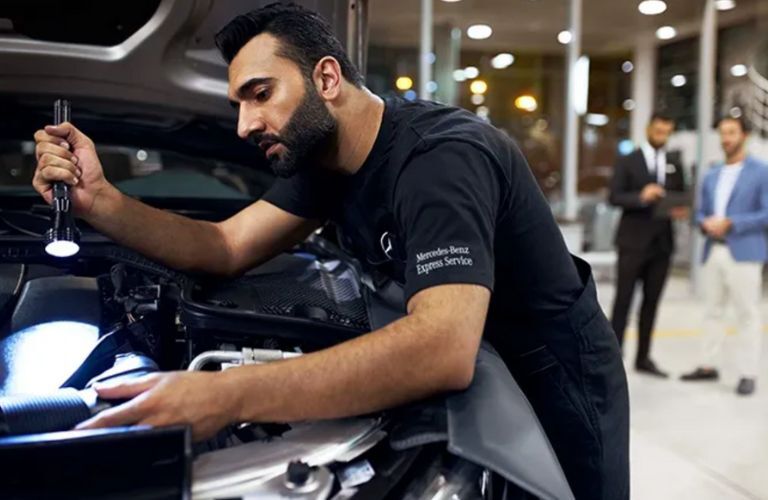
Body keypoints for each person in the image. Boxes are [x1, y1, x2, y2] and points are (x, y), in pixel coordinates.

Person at [32, 3, 629, 497]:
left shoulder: (441, 159)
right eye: (239, 103)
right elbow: (224, 243)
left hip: (553, 373)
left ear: (326, 78)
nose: (244, 124)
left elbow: (443, 348)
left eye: (259, 93)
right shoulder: (327, 160)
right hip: (481, 358)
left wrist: (223, 395)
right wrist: (100, 202)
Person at [681, 116, 768, 396]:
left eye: (731, 132)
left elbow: (765, 213)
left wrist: (731, 222)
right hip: (713, 249)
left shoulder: (761, 171)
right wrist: (704, 221)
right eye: (722, 133)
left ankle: (747, 373)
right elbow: (701, 210)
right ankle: (708, 365)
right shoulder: (713, 173)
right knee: (711, 311)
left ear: (744, 135)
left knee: (746, 314)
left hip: (743, 251)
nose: (725, 138)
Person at [609, 113, 688, 377]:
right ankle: (613, 357)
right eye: (657, 130)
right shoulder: (628, 160)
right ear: (648, 129)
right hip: (633, 241)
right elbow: (614, 196)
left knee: (651, 303)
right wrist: (641, 197)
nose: (661, 135)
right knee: (623, 301)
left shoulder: (674, 163)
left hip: (662, 244)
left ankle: (644, 357)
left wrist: (680, 208)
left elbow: (682, 195)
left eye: (666, 132)